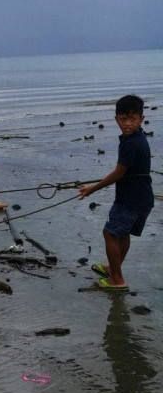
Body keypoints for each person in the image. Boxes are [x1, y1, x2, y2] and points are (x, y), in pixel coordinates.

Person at [78, 94, 154, 291]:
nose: (128, 124)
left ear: (141, 119)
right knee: (123, 233)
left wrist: (91, 189)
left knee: (109, 233)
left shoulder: (131, 143)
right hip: (143, 198)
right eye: (123, 119)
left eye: (133, 119)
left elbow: (118, 174)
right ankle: (114, 268)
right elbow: (126, 170)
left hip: (130, 200)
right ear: (116, 119)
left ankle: (117, 279)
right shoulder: (138, 137)